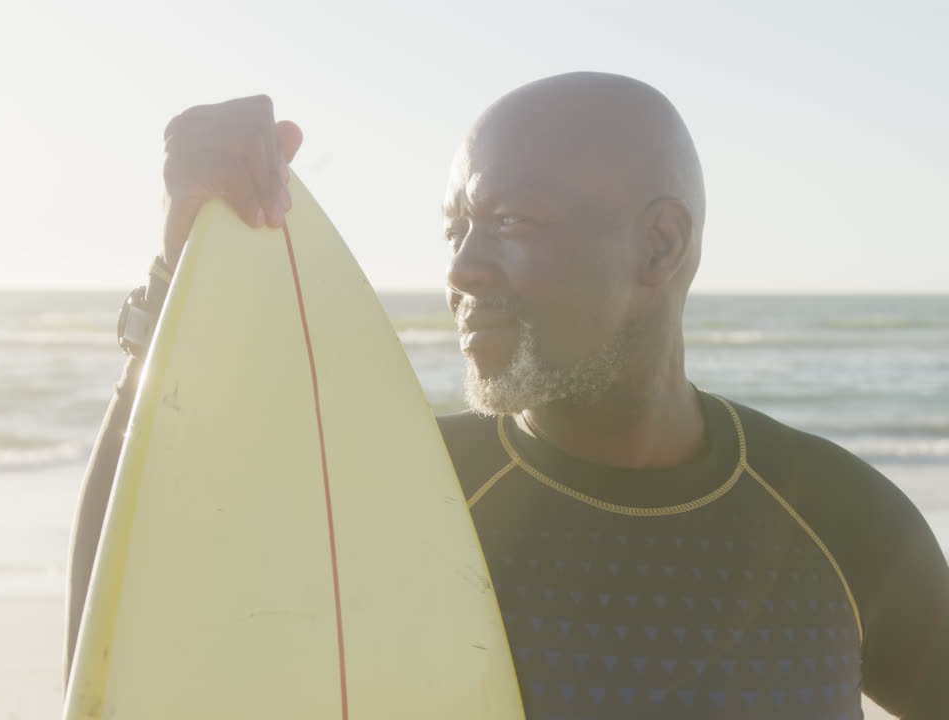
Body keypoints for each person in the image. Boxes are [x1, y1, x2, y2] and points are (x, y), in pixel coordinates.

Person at [66, 73, 948, 718]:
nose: (460, 268)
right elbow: (113, 662)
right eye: (455, 229)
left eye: (511, 221)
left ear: (661, 246)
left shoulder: (834, 519)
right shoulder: (397, 497)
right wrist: (178, 290)